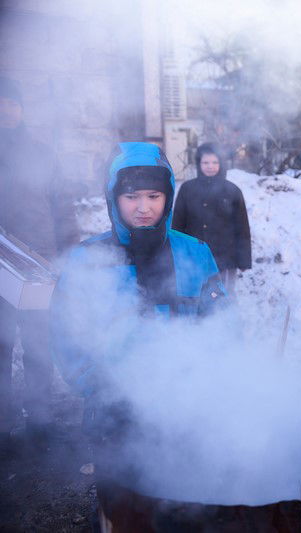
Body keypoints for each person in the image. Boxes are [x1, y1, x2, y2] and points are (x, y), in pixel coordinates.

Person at [50, 142, 225, 450]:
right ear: (113, 199)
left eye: (154, 196)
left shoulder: (195, 253)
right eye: (131, 197)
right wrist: (102, 387)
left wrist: (208, 377)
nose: (143, 207)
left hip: (186, 406)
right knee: (124, 494)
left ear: (168, 198)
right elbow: (67, 335)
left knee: (185, 490)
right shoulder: (88, 259)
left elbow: (221, 323)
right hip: (112, 414)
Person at [0, 77, 79, 446]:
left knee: (37, 342)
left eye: (12, 102)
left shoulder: (42, 153)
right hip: (1, 267)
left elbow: (62, 208)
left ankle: (41, 419)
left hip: (38, 263)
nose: (7, 109)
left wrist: (66, 254)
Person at [172, 142, 251, 292]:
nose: (210, 166)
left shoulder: (232, 191)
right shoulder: (187, 189)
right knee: (196, 296)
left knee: (224, 298)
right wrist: (178, 254)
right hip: (194, 257)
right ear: (199, 164)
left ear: (221, 164)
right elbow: (178, 223)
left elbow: (242, 228)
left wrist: (243, 259)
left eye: (215, 162)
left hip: (226, 259)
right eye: (206, 162)